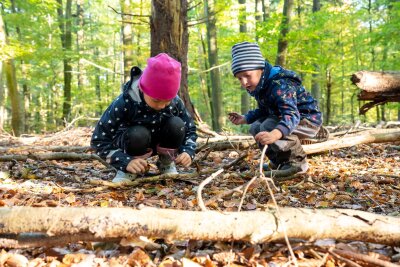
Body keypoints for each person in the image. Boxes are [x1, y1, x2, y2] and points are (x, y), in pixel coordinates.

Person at [91, 53, 197, 183]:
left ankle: (166, 162)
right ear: (143, 88)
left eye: (167, 101)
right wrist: (124, 161)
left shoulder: (175, 102)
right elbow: (98, 140)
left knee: (177, 124)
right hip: (132, 143)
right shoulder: (126, 102)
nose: (161, 106)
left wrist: (188, 151)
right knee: (138, 133)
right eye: (156, 100)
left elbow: (190, 129)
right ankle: (128, 170)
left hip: (161, 139)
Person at [228, 42, 323, 177]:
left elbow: (291, 115)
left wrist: (274, 134)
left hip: (307, 120)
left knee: (268, 125)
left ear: (260, 69)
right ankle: (279, 161)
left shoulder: (280, 84)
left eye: (247, 75)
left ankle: (297, 163)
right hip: (286, 119)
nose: (244, 82)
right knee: (256, 127)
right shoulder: (261, 86)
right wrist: (245, 118)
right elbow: (265, 110)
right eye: (239, 78)